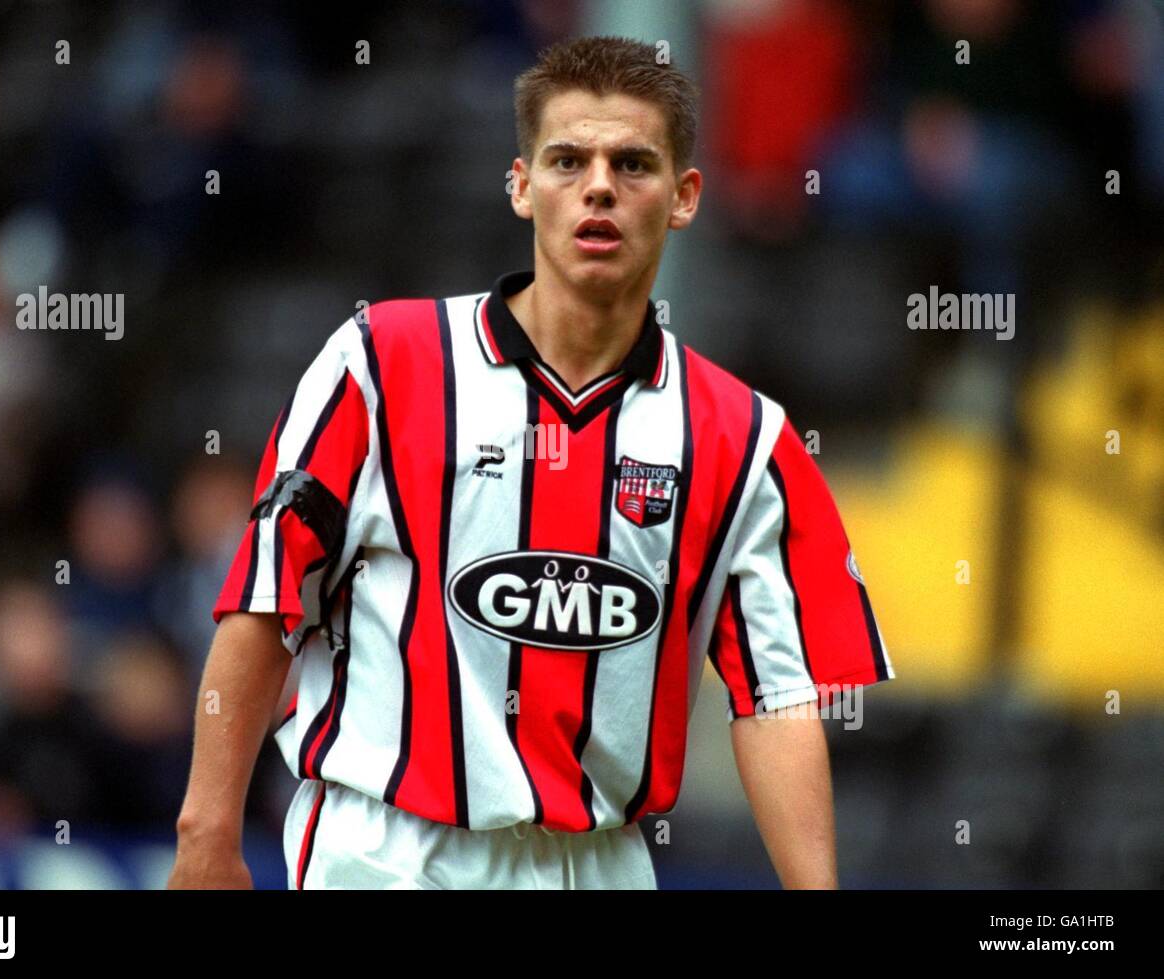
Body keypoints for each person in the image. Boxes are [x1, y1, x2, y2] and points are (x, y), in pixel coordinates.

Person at [168, 34, 894, 891]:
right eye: (566, 160)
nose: (598, 186)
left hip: (599, 862)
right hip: (384, 852)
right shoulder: (380, 363)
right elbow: (265, 601)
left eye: (632, 164)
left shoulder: (745, 438)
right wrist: (205, 832)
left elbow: (776, 697)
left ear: (686, 196)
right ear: (521, 185)